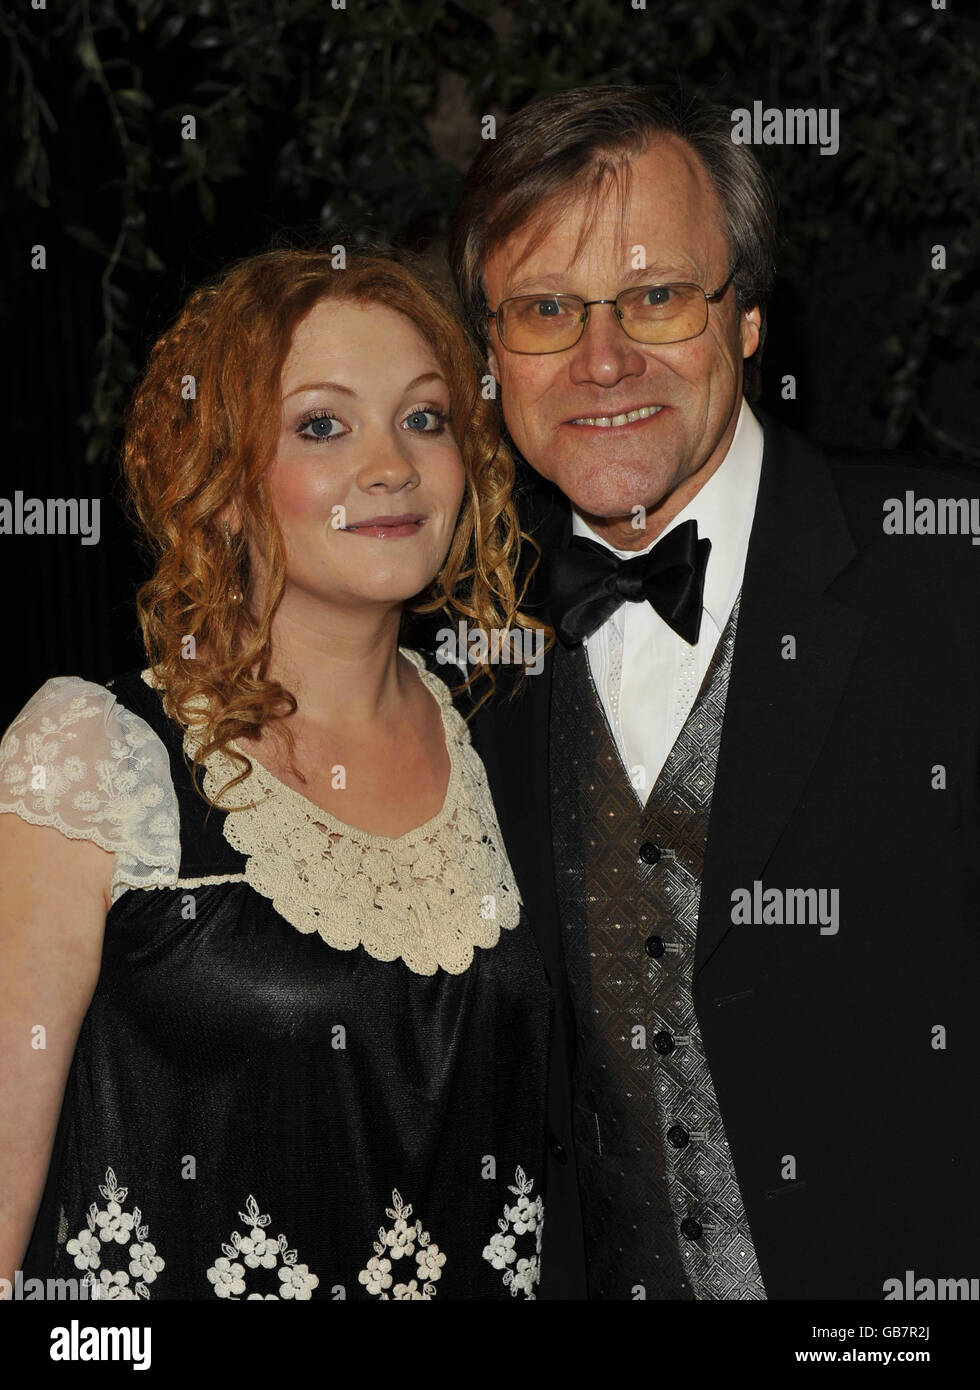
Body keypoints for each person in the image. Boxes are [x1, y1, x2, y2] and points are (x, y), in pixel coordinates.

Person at [435, 84, 980, 1300]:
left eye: (654, 295)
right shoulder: (453, 657)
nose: (601, 357)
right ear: (487, 355)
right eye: (542, 310)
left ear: (743, 319)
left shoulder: (949, 576)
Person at [0, 246, 558, 1301]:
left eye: (425, 417)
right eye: (321, 424)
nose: (390, 464)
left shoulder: (515, 743)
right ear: (219, 478)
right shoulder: (92, 753)